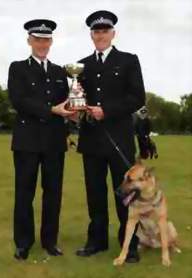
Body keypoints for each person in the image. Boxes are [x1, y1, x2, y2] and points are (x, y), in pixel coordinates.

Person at [75, 10, 146, 263]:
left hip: (120, 140)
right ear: (91, 35)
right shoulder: (81, 65)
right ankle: (96, 241)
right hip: (91, 139)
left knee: (125, 195)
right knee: (94, 194)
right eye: (96, 31)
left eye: (105, 31)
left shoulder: (128, 60)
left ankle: (130, 244)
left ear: (112, 33)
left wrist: (107, 110)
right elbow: (76, 99)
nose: (101, 35)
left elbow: (138, 97)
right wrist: (75, 109)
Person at [8, 19, 75, 260]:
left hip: (54, 142)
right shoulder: (17, 68)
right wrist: (52, 110)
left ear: (51, 41)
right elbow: (19, 100)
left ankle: (50, 241)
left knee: (53, 193)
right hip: (27, 141)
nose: (42, 44)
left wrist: (73, 109)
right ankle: (23, 243)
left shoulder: (60, 72)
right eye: (38, 39)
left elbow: (66, 102)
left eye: (46, 40)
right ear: (29, 41)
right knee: (24, 193)